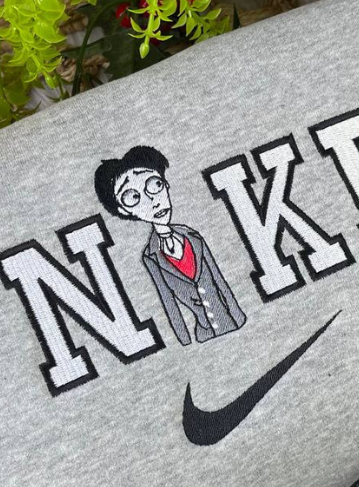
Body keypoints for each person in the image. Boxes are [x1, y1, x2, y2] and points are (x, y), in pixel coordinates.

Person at [94, 145, 247, 346]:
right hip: (204, 335)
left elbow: (219, 280)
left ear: (165, 183)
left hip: (230, 321)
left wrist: (238, 316)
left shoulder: (193, 236)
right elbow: (168, 301)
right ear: (124, 210)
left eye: (154, 184)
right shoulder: (150, 256)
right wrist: (184, 342)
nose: (152, 201)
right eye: (132, 197)